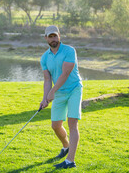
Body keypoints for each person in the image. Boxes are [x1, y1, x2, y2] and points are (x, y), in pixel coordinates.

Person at [39, 25, 83, 169]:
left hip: (74, 89)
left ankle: (70, 161)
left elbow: (65, 74)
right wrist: (45, 97)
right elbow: (47, 80)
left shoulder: (69, 51)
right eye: (50, 36)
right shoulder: (44, 57)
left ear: (59, 36)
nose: (53, 39)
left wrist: (52, 92)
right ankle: (66, 146)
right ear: (46, 38)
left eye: (55, 36)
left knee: (72, 124)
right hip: (59, 93)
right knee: (55, 125)